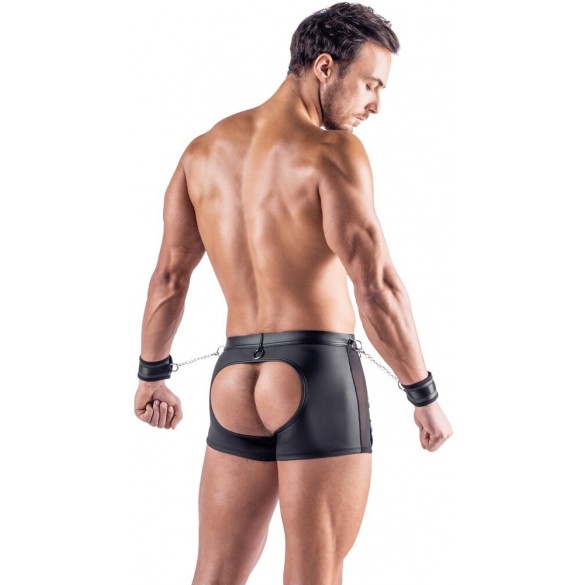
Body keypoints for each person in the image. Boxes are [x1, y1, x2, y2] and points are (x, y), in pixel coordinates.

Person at [133, 2, 453, 584]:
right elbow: (376, 285)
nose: (376, 105)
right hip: (315, 375)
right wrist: (422, 393)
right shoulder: (334, 152)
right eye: (371, 85)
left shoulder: (202, 152)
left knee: (214, 574)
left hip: (233, 380)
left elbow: (169, 278)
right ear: (325, 68)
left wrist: (151, 374)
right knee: (315, 575)